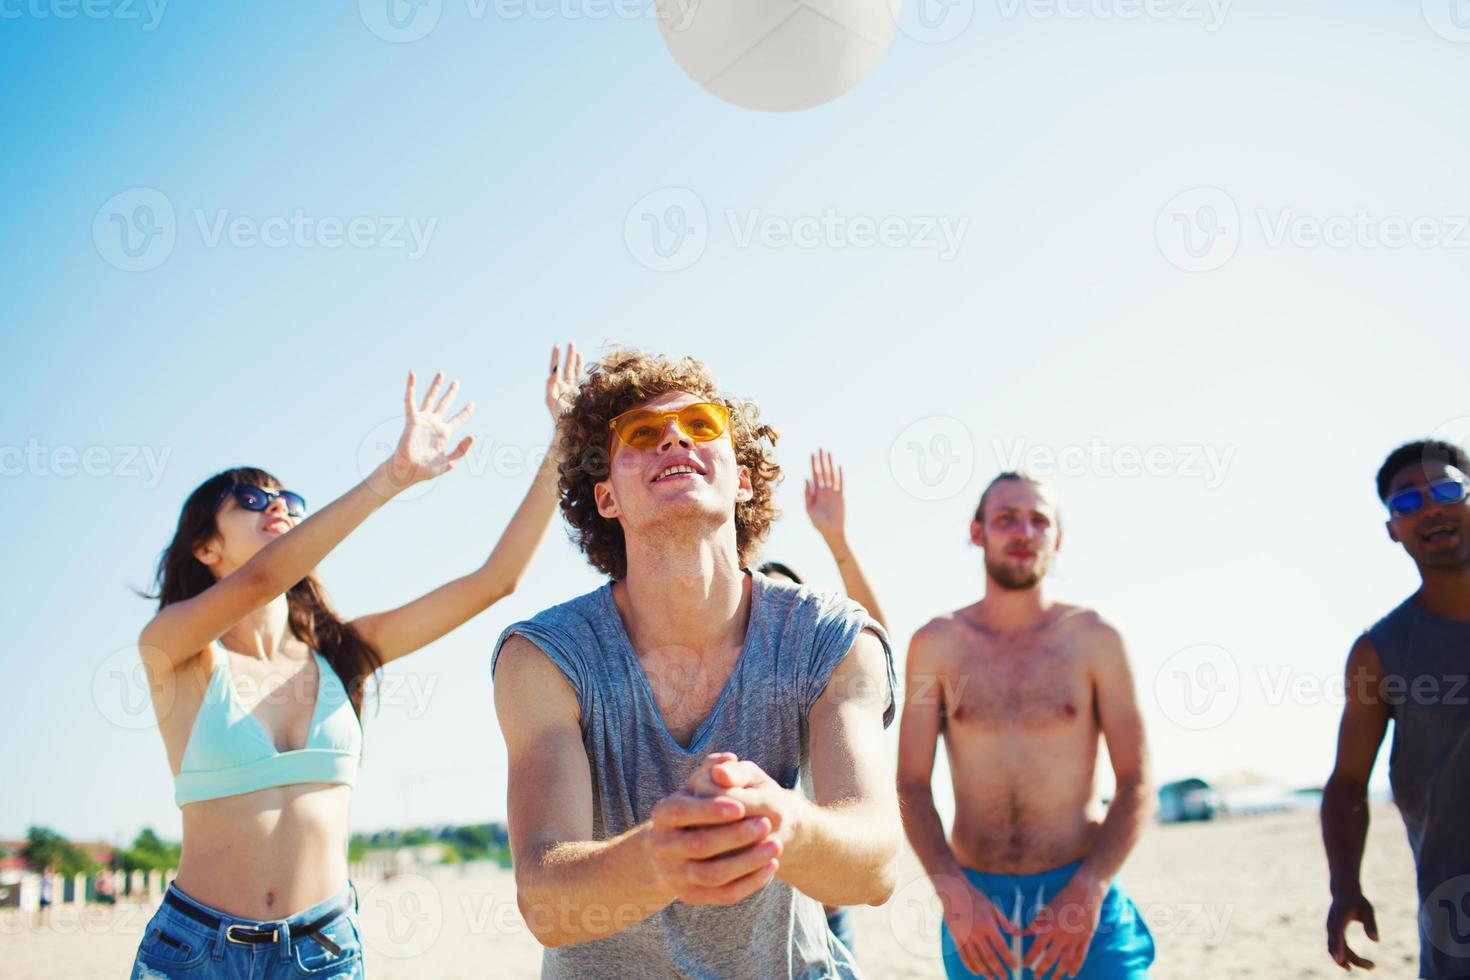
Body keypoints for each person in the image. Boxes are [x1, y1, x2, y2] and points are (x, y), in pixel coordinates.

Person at [130, 345, 581, 979]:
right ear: (205, 545)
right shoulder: (172, 652)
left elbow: (495, 580)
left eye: (286, 496)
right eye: (251, 501)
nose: (278, 505)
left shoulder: (342, 654)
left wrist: (561, 441)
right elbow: (259, 583)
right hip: (196, 952)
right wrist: (392, 477)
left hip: (322, 951)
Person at [491, 350, 901, 978]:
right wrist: (665, 853)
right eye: (641, 434)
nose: (675, 436)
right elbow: (546, 903)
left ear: (742, 478)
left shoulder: (831, 637)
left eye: (702, 425)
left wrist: (780, 822)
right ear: (606, 498)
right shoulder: (545, 657)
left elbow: (874, 868)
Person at [897, 471, 1155, 980]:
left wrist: (1091, 888)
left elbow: (1137, 781)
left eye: (1039, 521)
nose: (1024, 532)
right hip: (976, 910)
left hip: (1083, 897)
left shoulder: (1097, 639)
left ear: (1057, 539)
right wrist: (953, 892)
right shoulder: (936, 644)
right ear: (978, 533)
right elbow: (910, 783)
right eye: (1006, 518)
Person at [1323, 439, 1470, 979]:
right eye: (1407, 502)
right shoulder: (1380, 652)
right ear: (1391, 527)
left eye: (1448, 490)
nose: (1430, 508)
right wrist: (1345, 887)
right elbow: (1345, 783)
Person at [758, 448, 889, 961]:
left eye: (792, 601)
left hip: (829, 907)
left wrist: (836, 540)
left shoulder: (833, 689)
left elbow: (877, 642)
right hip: (761, 908)